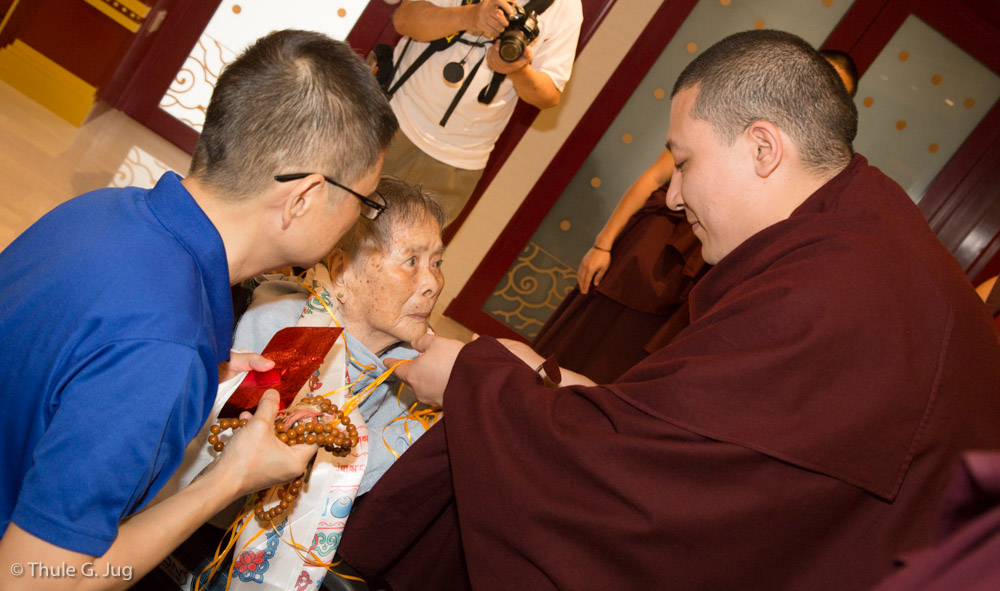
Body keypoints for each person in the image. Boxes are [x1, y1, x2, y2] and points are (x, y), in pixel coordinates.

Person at [334, 30, 1000, 590]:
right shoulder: (863, 225)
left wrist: (471, 379)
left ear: (764, 149)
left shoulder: (835, 287)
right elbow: (698, 432)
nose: (674, 196)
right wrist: (542, 373)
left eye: (683, 162)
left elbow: (643, 496)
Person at [0, 29, 397, 590]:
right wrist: (228, 480)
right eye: (365, 201)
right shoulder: (164, 348)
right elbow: (32, 581)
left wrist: (199, 370)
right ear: (304, 197)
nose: (359, 221)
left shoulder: (106, 206)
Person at [380, 0, 582, 223]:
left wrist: (518, 70)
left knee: (403, 255)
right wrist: (469, 16)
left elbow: (549, 94)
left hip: (460, 162)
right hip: (391, 120)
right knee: (336, 223)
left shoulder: (567, 7)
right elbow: (405, 19)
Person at [532, 148, 707, 382]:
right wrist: (602, 245)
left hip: (697, 270)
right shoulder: (708, 121)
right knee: (579, 336)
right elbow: (653, 177)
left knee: (628, 365)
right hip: (647, 249)